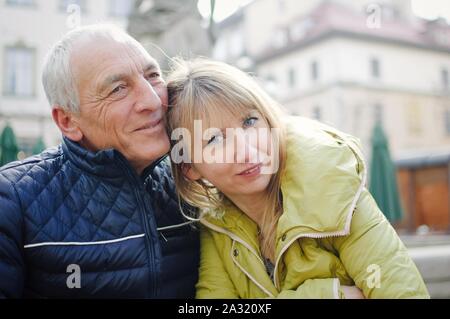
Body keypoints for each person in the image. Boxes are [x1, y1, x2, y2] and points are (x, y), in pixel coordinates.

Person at [166, 58, 429, 299]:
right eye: (215, 139)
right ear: (189, 166)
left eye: (249, 121)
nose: (246, 150)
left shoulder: (331, 187)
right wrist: (328, 294)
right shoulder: (218, 225)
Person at [0, 25, 199, 298]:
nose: (153, 101)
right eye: (118, 89)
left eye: (153, 76)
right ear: (68, 121)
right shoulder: (11, 200)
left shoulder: (194, 185)